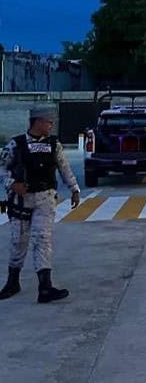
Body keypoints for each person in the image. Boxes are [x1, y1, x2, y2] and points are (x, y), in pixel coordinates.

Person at [0, 106, 80, 303]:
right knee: (19, 240)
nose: (51, 126)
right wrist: (12, 184)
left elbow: (64, 167)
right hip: (21, 200)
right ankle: (12, 282)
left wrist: (74, 188)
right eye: (49, 122)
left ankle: (45, 287)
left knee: (42, 239)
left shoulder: (54, 144)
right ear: (38, 122)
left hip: (45, 198)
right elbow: (2, 168)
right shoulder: (16, 144)